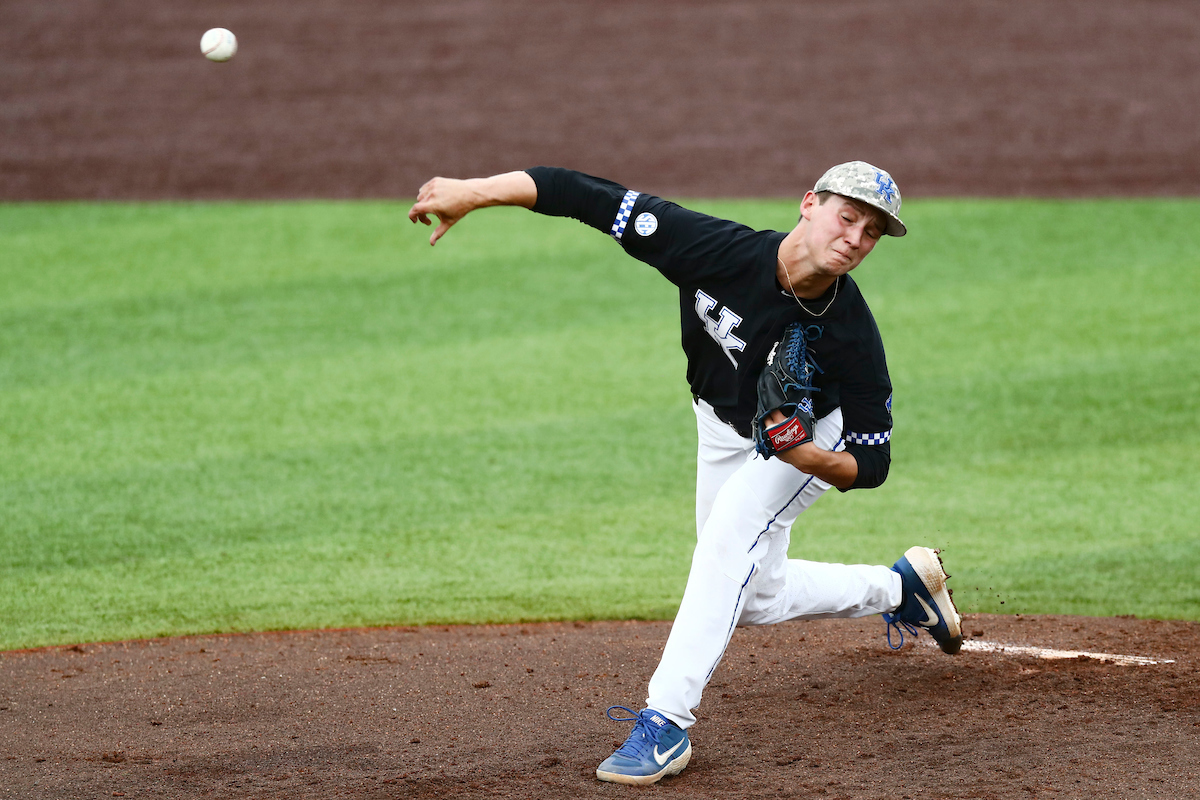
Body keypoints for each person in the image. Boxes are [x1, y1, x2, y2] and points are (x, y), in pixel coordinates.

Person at [408, 162, 962, 785]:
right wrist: (474, 193)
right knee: (753, 594)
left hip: (808, 439)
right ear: (810, 204)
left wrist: (804, 455)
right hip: (719, 424)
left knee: (727, 539)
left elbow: (872, 462)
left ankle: (665, 722)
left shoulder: (852, 334)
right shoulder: (710, 248)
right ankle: (901, 589)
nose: (855, 238)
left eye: (872, 232)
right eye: (848, 216)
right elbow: (584, 196)